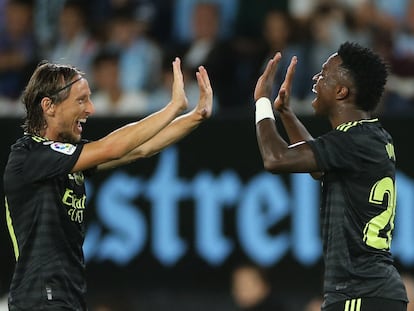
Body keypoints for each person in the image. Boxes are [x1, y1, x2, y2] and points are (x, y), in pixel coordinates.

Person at [3, 57, 213, 310]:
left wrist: (195, 116)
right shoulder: (29, 156)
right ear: (49, 105)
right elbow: (113, 148)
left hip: (67, 296)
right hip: (39, 299)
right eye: (81, 100)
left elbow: (139, 150)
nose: (90, 109)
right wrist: (172, 108)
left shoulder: (65, 156)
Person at [253, 41, 408, 310]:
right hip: (372, 293)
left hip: (359, 293)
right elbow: (318, 167)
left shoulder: (353, 140)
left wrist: (262, 102)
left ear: (341, 91)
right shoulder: (370, 136)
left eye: (324, 74)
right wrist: (286, 114)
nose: (315, 78)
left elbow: (274, 158)